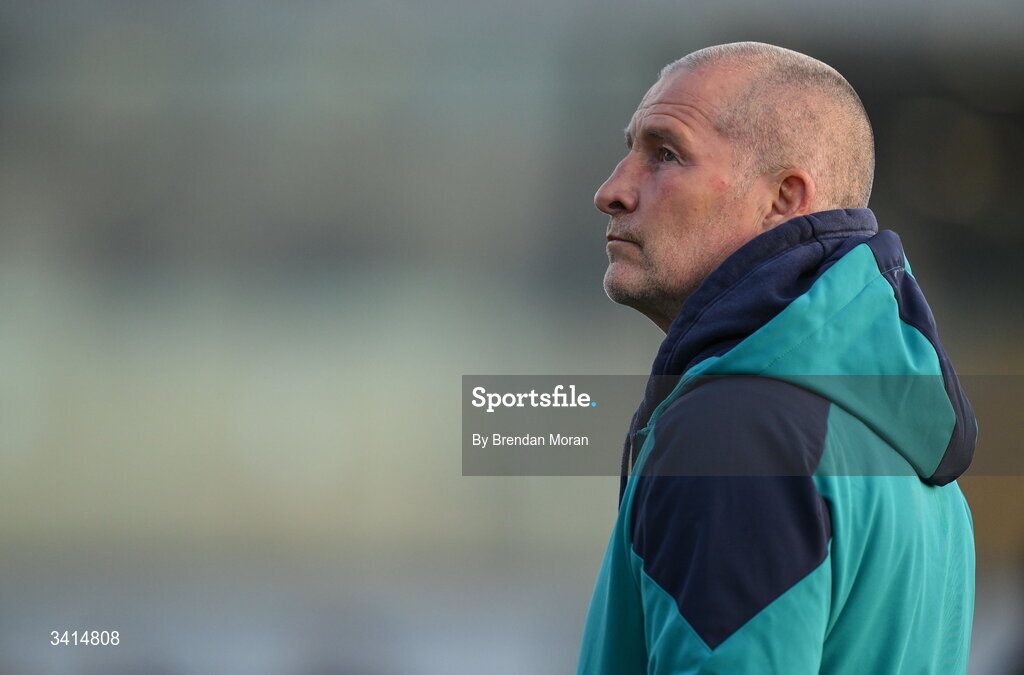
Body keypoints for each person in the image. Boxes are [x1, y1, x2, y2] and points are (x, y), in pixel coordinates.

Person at [577, 42, 976, 674]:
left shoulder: (736, 429)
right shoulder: (909, 450)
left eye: (665, 154)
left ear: (785, 198)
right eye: (629, 150)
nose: (612, 191)